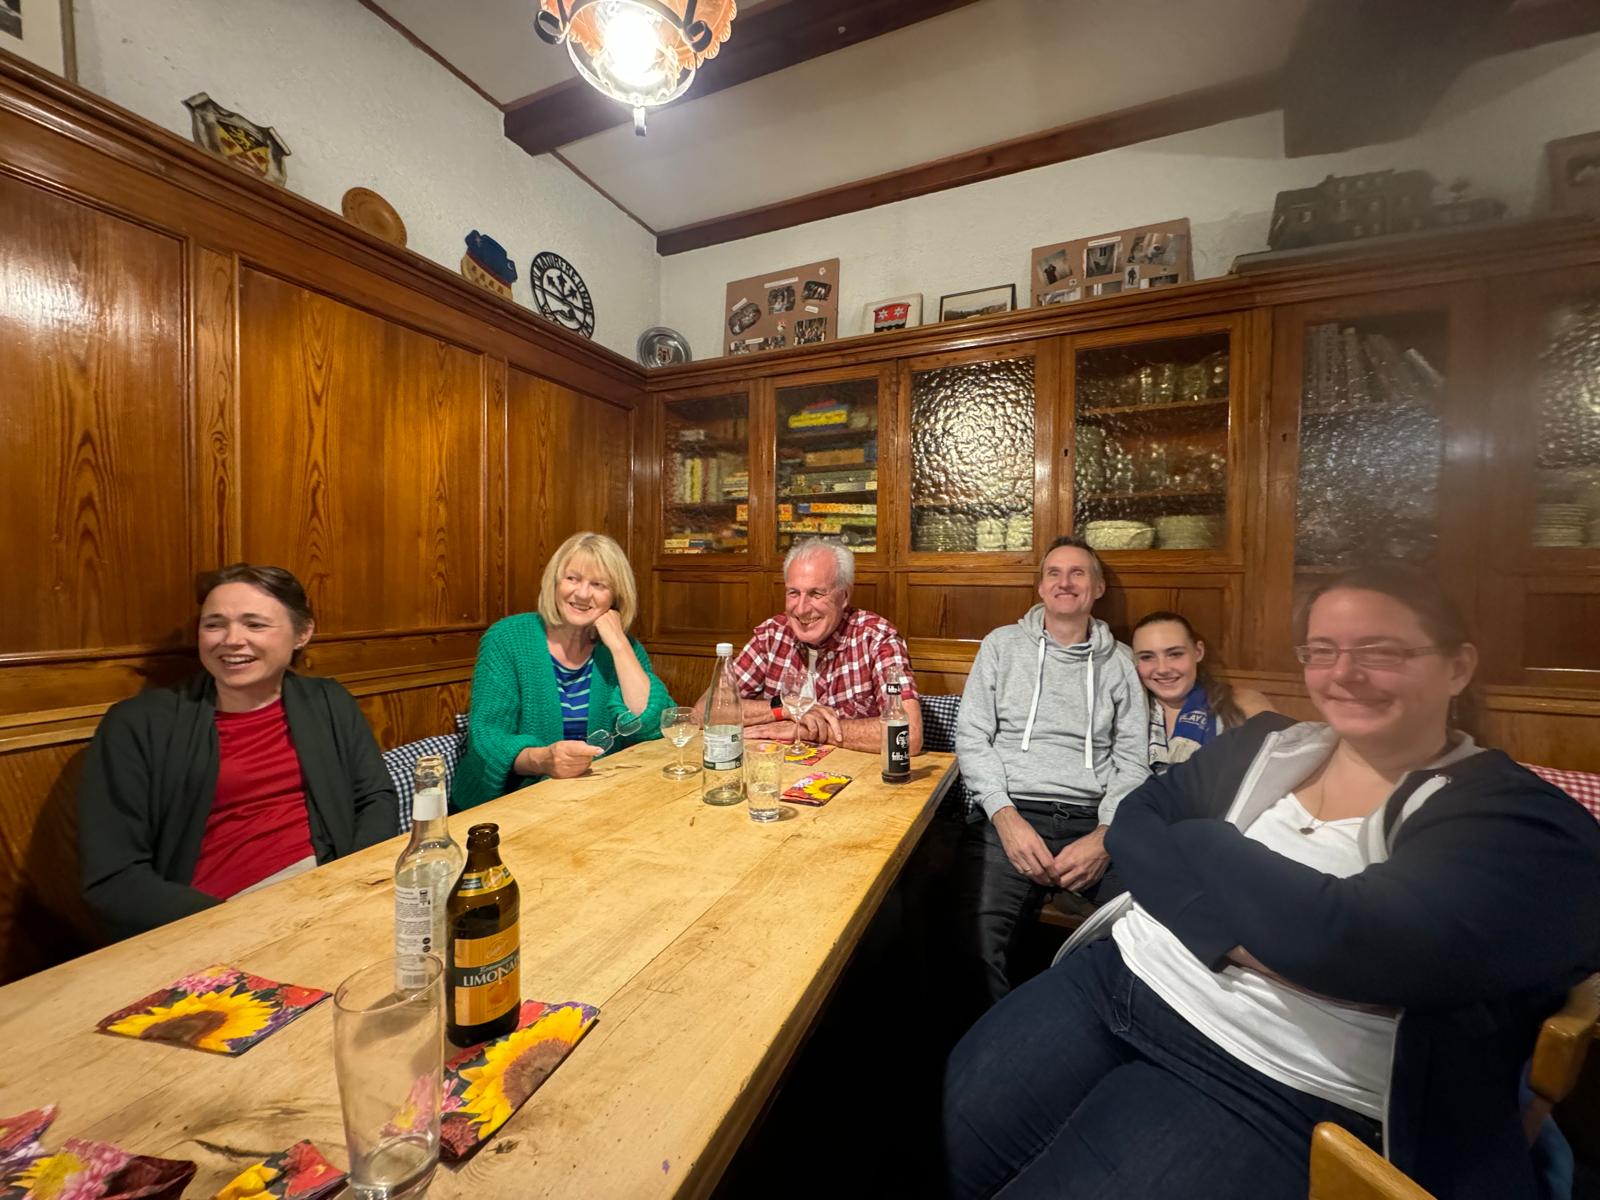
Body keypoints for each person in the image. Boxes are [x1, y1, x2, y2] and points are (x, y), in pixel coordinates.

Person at [943, 563, 1600, 1200]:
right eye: (1323, 651)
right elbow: (1139, 823)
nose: (1344, 673)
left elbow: (1355, 940)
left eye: (1381, 651)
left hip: (1274, 1075)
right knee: (957, 1140)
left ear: (1458, 666)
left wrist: (1202, 843)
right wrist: (1239, 936)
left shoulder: (1513, 814)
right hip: (1121, 974)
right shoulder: (1272, 743)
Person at [78, 564, 398, 940]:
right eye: (214, 624)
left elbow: (375, 797)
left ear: (302, 633)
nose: (231, 640)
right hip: (212, 918)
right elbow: (114, 877)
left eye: (255, 624)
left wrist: (349, 883)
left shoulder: (328, 701)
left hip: (327, 889)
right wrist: (236, 922)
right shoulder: (137, 724)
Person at [953, 536, 1148, 1007]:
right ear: (1040, 587)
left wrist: (1105, 835)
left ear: (1097, 588)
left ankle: (1074, 1034)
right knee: (972, 940)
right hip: (1012, 812)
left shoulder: (1121, 662)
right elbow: (972, 736)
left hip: (1092, 819)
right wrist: (1005, 817)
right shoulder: (1001, 646)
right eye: (1054, 573)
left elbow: (1132, 760)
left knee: (1144, 932)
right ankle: (995, 1044)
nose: (1065, 582)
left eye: (1078, 573)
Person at [453, 531, 671, 809]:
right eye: (572, 578)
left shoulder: (625, 648)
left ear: (616, 596)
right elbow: (488, 737)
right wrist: (543, 760)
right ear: (554, 581)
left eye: (598, 584)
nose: (582, 593)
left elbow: (652, 727)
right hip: (507, 803)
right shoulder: (506, 638)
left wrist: (619, 645)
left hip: (595, 799)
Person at [706, 538, 921, 755]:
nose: (801, 609)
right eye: (793, 593)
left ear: (844, 595)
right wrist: (782, 708)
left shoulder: (877, 638)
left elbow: (908, 735)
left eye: (816, 594)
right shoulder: (772, 634)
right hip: (779, 769)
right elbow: (706, 710)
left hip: (854, 773)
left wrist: (811, 731)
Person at [1131, 610, 1275, 772]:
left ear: (1198, 652)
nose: (1162, 669)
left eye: (1175, 654)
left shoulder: (1244, 703)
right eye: (1147, 657)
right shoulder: (1127, 712)